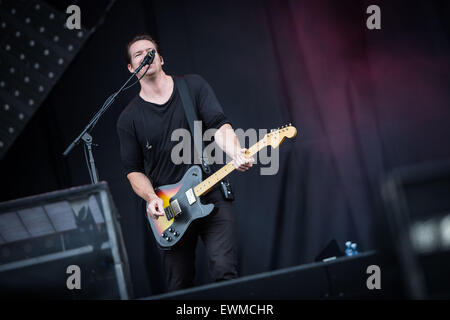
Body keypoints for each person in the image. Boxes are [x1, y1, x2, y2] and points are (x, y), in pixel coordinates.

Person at [116, 34, 255, 291]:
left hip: (211, 194)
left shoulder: (192, 87)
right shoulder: (129, 118)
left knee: (225, 271)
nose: (146, 56)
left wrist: (235, 151)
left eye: (151, 51)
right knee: (179, 285)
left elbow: (218, 125)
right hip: (171, 209)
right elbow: (133, 171)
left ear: (161, 58)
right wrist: (150, 198)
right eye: (139, 54)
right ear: (130, 68)